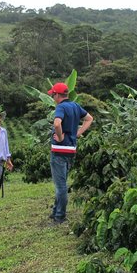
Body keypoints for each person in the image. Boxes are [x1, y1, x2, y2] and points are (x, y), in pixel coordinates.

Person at [48, 82, 93, 224]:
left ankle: (59, 216)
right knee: (61, 182)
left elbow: (56, 124)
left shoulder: (60, 107)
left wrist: (60, 137)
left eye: (53, 94)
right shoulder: (75, 106)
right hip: (71, 150)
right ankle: (55, 210)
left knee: (60, 186)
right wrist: (78, 132)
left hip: (59, 151)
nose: (53, 97)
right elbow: (89, 118)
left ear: (57, 95)